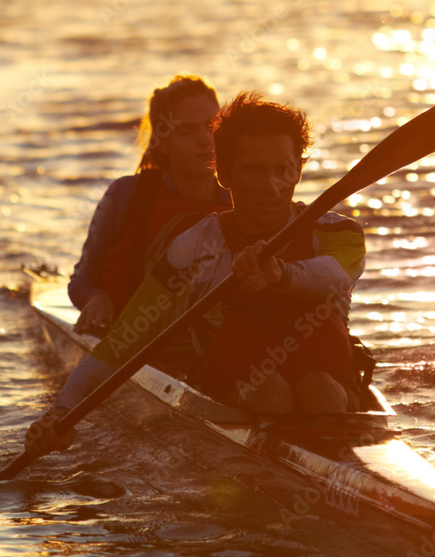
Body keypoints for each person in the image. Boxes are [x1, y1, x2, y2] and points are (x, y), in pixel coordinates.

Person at [26, 92, 366, 454]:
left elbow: (332, 276)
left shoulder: (337, 232)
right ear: (224, 174)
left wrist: (279, 274)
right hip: (241, 387)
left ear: (298, 169)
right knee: (273, 391)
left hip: (327, 389)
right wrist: (60, 414)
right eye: (254, 170)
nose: (271, 186)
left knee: (319, 389)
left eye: (283, 169)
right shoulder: (196, 247)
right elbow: (122, 344)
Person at [69, 74, 231, 335]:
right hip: (126, 343)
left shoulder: (244, 201)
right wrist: (96, 298)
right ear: (163, 142)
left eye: (212, 127)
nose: (205, 140)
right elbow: (81, 281)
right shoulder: (126, 195)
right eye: (187, 131)